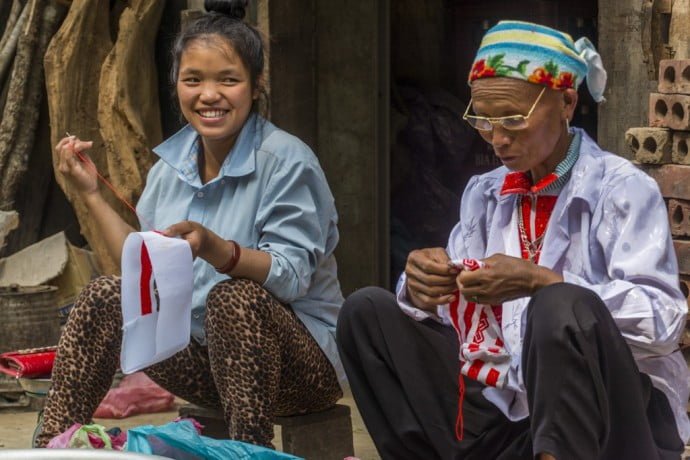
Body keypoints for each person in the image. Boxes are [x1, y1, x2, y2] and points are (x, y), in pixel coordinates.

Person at [337, 20, 690, 460]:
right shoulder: (485, 192)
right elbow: (465, 322)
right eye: (483, 120)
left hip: (613, 422)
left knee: (560, 306)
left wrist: (542, 282)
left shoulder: (622, 189)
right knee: (367, 313)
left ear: (566, 102)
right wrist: (426, 288)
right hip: (512, 414)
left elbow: (664, 321)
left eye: (513, 119)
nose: (497, 138)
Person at [36, 0, 344, 448]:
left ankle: (249, 455)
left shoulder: (287, 162)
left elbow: (292, 277)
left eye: (228, 80)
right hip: (208, 366)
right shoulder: (170, 166)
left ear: (256, 86)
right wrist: (90, 192)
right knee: (105, 294)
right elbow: (141, 265)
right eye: (193, 80)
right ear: (176, 84)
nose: (208, 95)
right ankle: (50, 447)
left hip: (300, 371)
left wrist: (219, 250)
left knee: (234, 299)